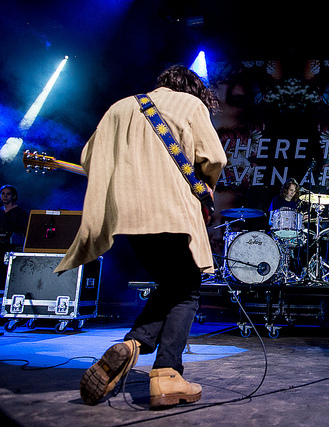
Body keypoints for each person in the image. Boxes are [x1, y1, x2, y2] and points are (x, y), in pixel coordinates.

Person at [54, 65, 227, 409]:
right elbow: (215, 158)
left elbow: (90, 159)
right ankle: (166, 374)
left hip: (129, 218)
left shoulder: (119, 107)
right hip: (175, 214)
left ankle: (135, 346)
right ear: (192, 88)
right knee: (187, 289)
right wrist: (206, 184)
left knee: (173, 284)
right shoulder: (191, 106)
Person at [0, 184, 29, 279]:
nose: (5, 196)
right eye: (3, 193)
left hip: (12, 248)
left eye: (8, 194)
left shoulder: (20, 212)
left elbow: (23, 231)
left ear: (14, 196)